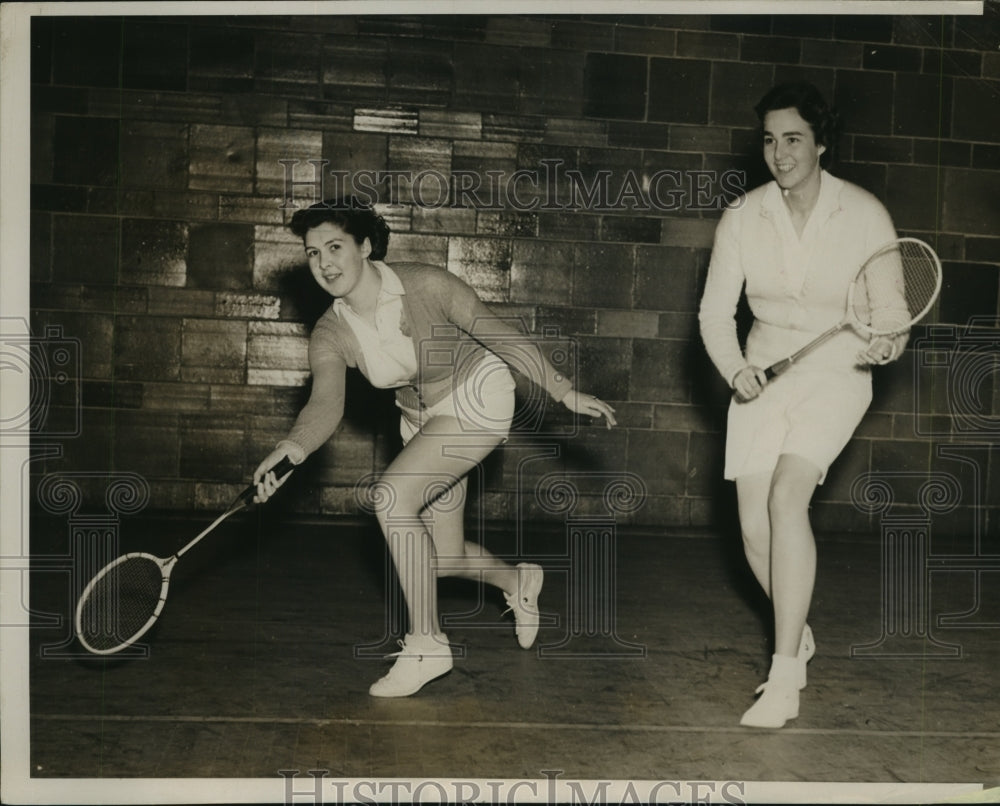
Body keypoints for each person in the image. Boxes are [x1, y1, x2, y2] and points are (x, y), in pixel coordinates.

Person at [253, 197, 617, 698]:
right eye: (313, 253)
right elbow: (325, 404)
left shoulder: (425, 283)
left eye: (335, 247)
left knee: (390, 498)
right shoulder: (332, 332)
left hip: (478, 393)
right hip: (422, 420)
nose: (324, 263)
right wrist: (290, 448)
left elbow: (501, 336)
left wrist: (562, 389)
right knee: (441, 558)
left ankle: (427, 643)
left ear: (364, 246)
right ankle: (518, 583)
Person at [698, 82, 909, 728]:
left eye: (793, 139)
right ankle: (798, 625)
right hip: (762, 371)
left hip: (837, 372)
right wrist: (736, 370)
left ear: (821, 142)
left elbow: (893, 315)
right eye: (769, 140)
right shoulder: (743, 216)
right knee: (755, 531)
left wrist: (885, 344)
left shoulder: (865, 213)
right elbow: (713, 312)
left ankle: (784, 673)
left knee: (787, 498)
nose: (779, 153)